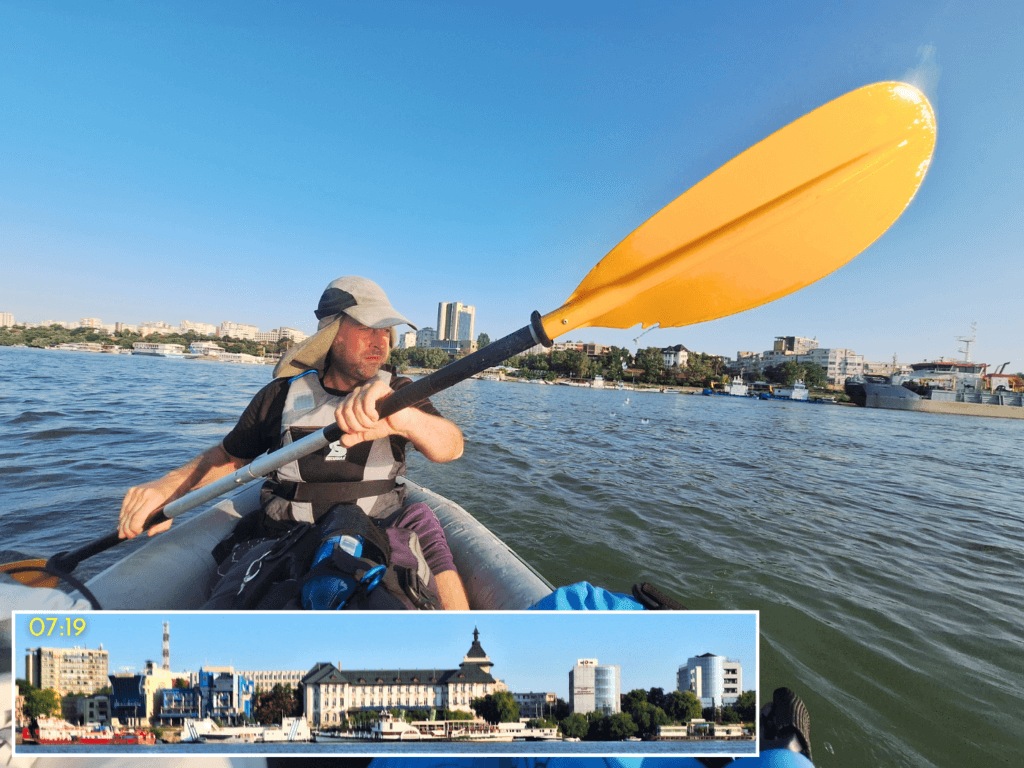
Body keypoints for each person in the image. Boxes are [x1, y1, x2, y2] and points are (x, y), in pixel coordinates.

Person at [118, 276, 470, 610]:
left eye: (385, 331)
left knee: (422, 523)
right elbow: (229, 456)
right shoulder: (279, 396)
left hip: (380, 522)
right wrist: (168, 487)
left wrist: (404, 419)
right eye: (367, 328)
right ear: (332, 333)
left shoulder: (400, 392)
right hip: (287, 530)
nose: (380, 342)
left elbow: (451, 447)